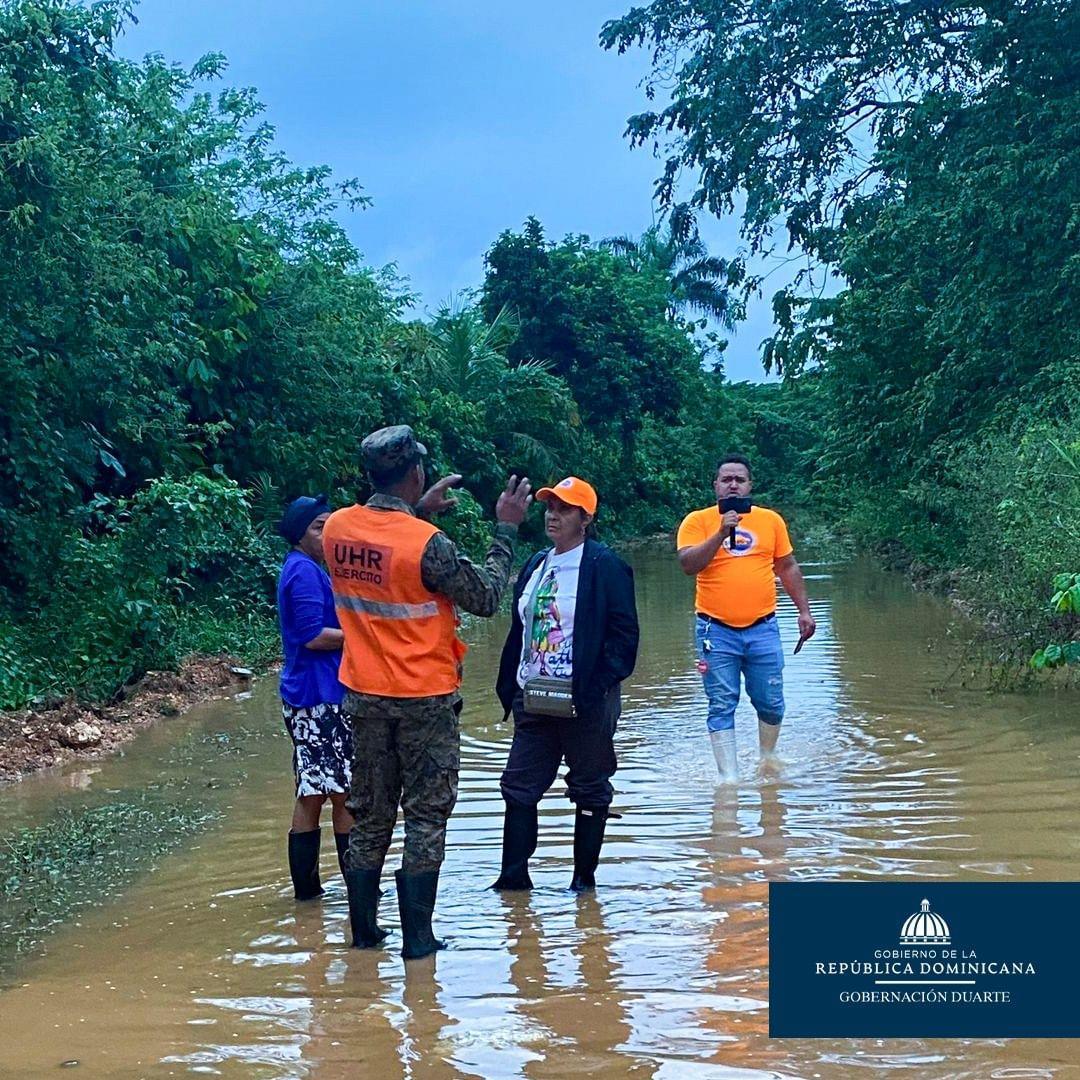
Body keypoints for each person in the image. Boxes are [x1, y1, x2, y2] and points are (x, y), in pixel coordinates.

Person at [322, 425, 532, 960]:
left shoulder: (337, 529)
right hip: (424, 700)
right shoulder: (426, 543)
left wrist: (417, 510)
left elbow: (385, 555)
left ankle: (364, 934)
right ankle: (418, 939)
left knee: (370, 814)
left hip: (363, 697)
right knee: (425, 816)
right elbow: (484, 597)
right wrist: (505, 530)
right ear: (417, 474)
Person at [493, 477, 639, 892]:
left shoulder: (604, 565)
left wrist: (593, 690)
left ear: (586, 519)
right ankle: (513, 881)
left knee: (590, 787)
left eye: (564, 509)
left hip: (586, 701)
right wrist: (512, 686)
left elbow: (624, 637)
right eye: (550, 507)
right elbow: (520, 628)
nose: (553, 515)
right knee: (518, 786)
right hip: (534, 696)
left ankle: (583, 885)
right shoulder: (538, 562)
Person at [675, 454, 816, 781]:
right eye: (727, 479)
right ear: (716, 486)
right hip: (715, 629)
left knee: (771, 702)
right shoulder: (697, 521)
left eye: (740, 479)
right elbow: (688, 564)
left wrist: (804, 611)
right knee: (721, 703)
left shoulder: (770, 521)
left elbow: (787, 566)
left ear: (750, 485)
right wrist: (720, 533)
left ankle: (768, 756)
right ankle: (729, 780)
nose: (733, 484)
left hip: (763, 627)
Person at [276, 495, 354, 901]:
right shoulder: (304, 572)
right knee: (342, 790)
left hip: (308, 693)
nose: (326, 535)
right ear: (299, 534)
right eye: (318, 527)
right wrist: (363, 636)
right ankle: (358, 891)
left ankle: (308, 896)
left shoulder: (302, 567)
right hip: (319, 694)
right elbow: (313, 636)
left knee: (312, 789)